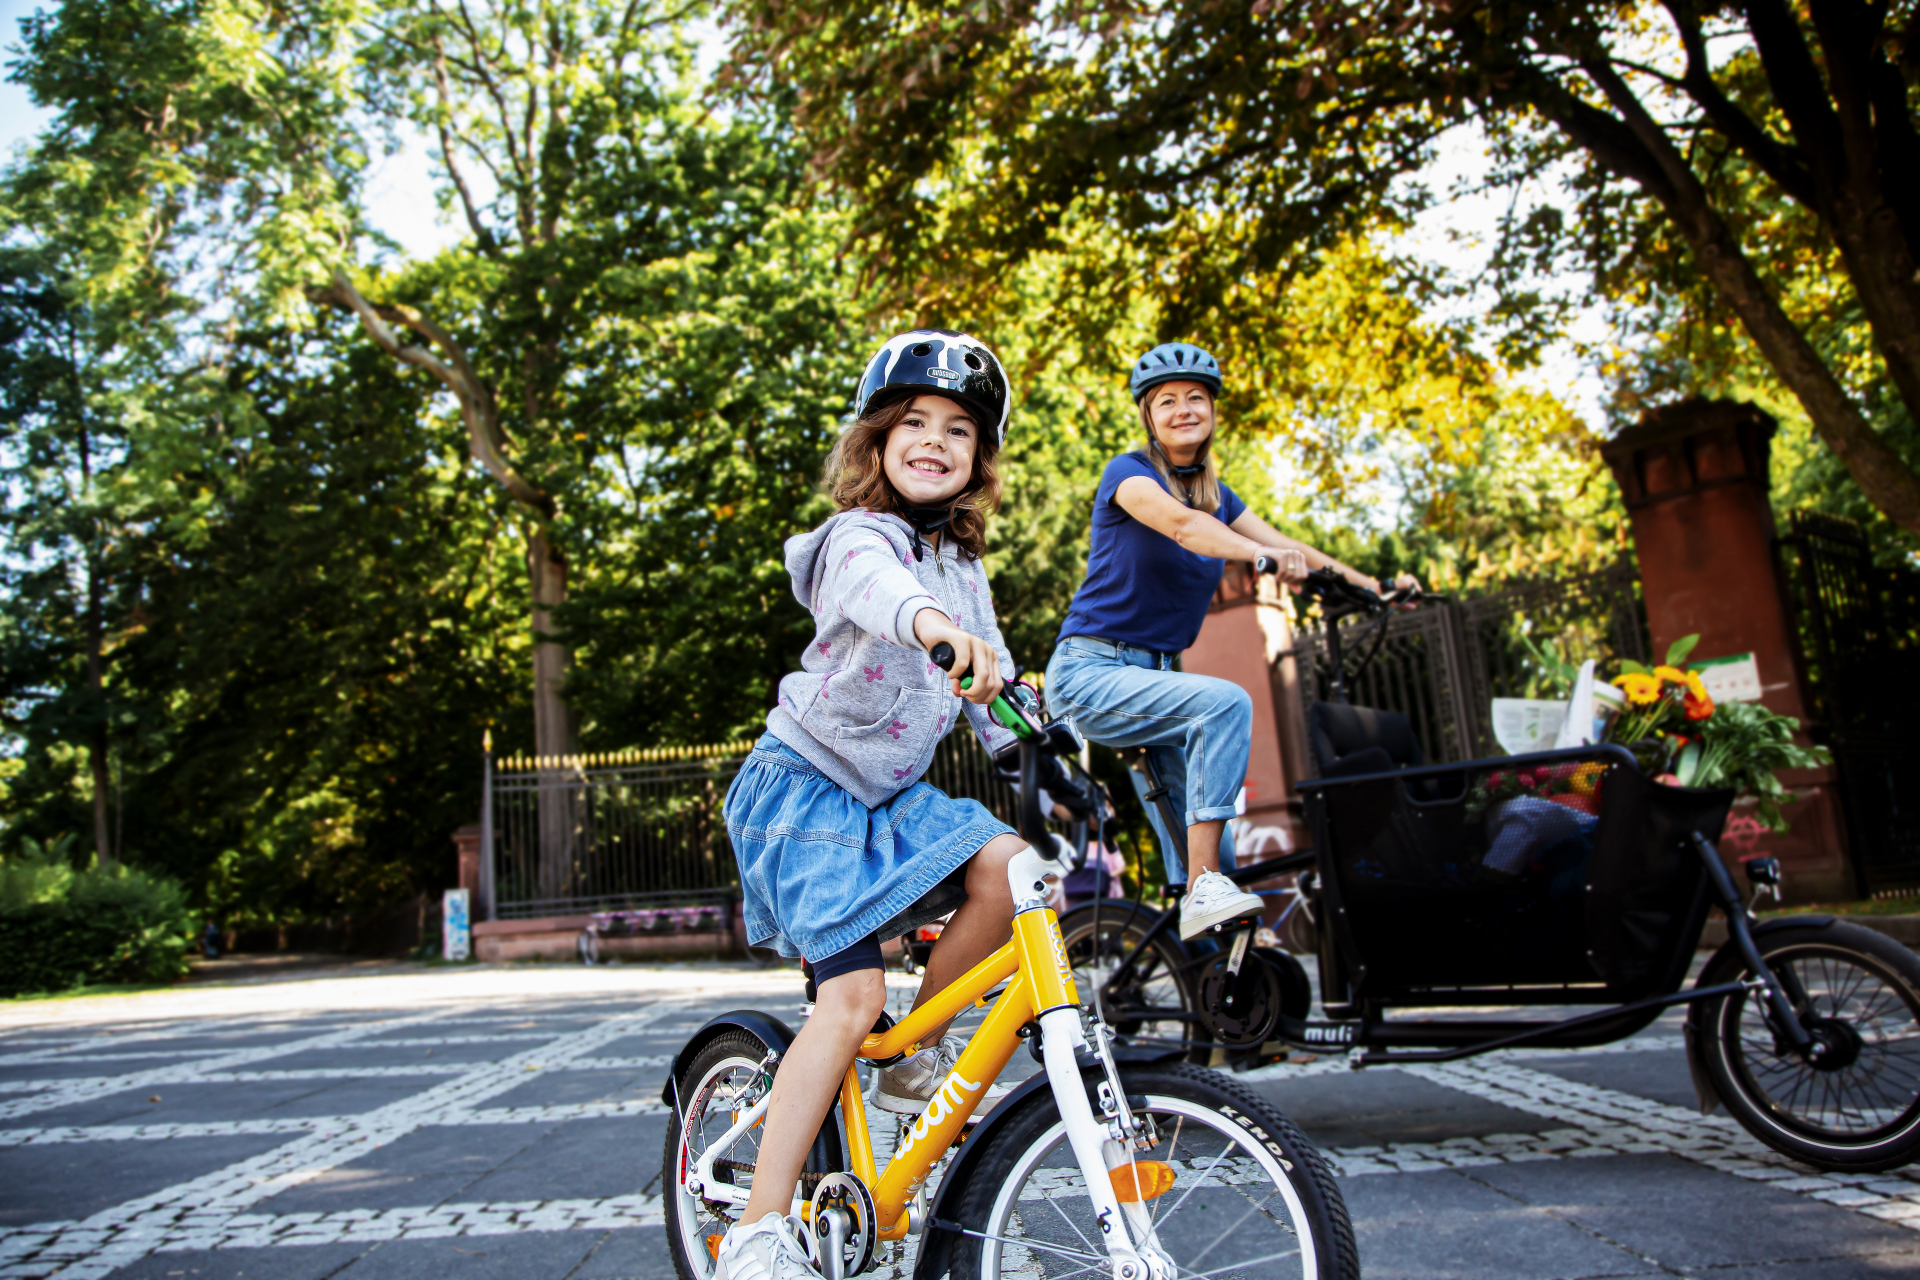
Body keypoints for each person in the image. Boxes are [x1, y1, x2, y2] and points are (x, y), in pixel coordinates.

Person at [714, 330, 1038, 1280]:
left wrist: (1035, 746)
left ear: (978, 459)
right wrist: (932, 626)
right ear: (879, 441)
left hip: (889, 803)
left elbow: (997, 685)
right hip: (803, 796)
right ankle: (760, 1230)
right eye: (915, 423)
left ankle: (913, 1060)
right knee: (850, 996)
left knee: (1014, 866)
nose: (936, 441)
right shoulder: (858, 539)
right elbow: (881, 590)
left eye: (960, 431)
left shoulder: (965, 572)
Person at [1044, 341, 1417, 940]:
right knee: (1224, 702)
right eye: (1167, 401)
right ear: (1149, 417)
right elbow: (1183, 528)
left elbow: (1295, 549)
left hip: (1155, 683)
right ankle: (1204, 893)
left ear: (1213, 411)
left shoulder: (1219, 498)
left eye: (1196, 397)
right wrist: (1260, 556)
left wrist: (1373, 587)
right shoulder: (1128, 474)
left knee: (1216, 849)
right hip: (1090, 674)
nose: (1183, 408)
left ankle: (1228, 965)